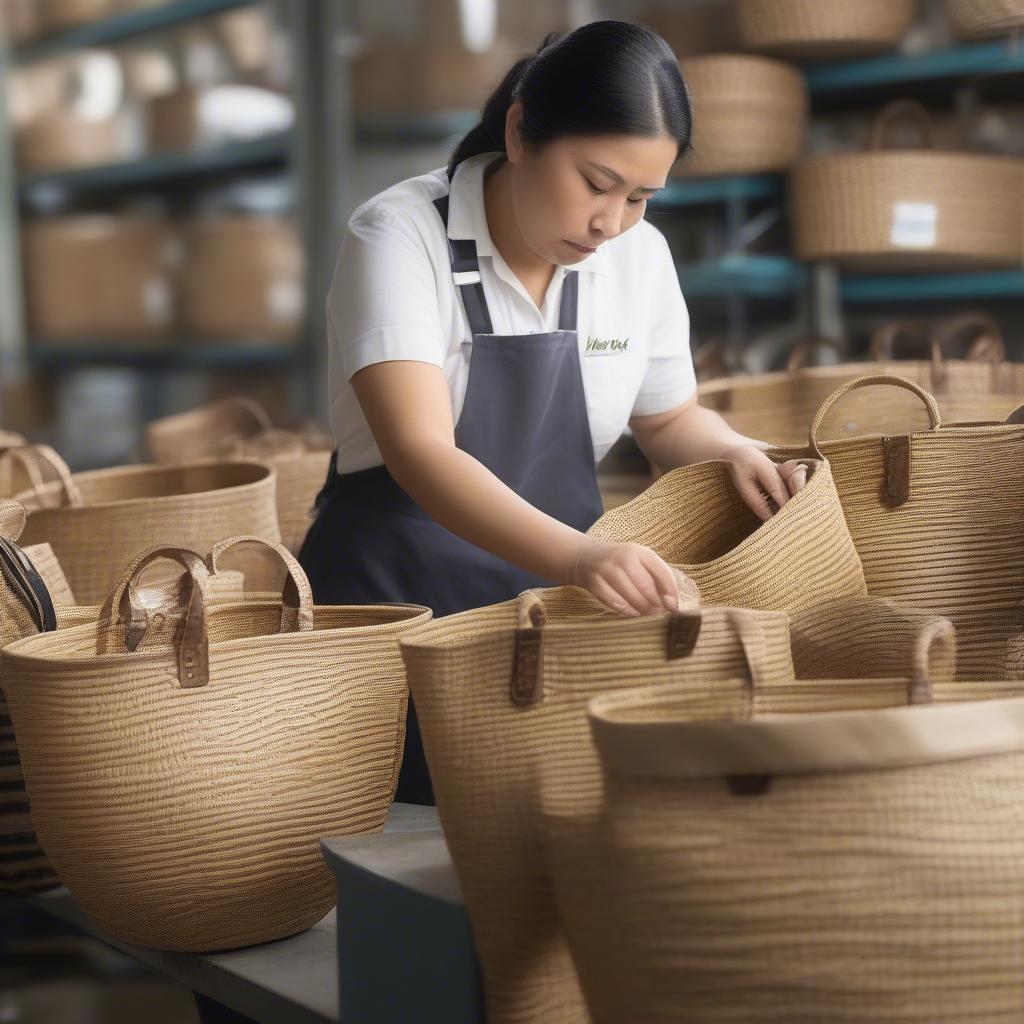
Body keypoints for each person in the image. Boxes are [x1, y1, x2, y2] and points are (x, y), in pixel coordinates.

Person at [298, 20, 808, 807]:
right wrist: (581, 558)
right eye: (597, 182)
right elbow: (419, 450)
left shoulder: (636, 259)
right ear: (520, 129)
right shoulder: (400, 236)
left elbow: (669, 421)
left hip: (552, 624)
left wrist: (738, 452)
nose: (612, 222)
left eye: (641, 197)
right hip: (394, 614)